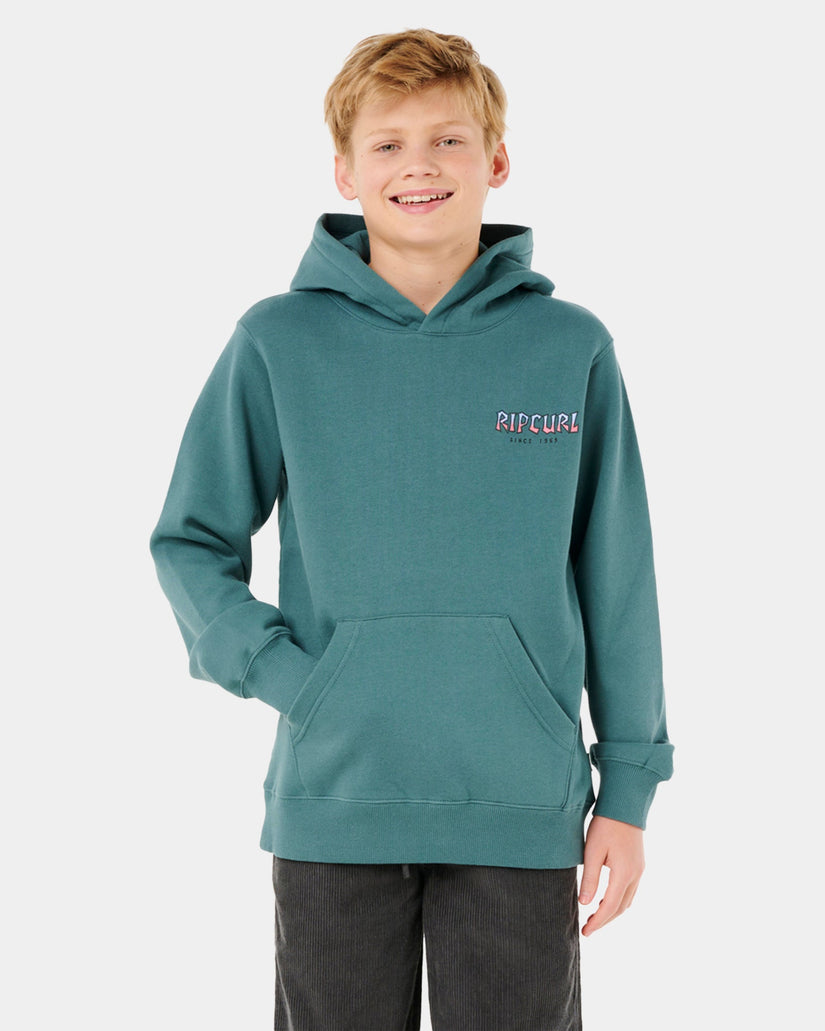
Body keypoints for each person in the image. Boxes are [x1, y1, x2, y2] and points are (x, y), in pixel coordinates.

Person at [150, 28, 674, 1031]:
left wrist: (629, 787)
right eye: (387, 144)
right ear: (345, 171)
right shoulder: (278, 340)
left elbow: (619, 578)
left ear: (497, 160)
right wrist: (291, 679)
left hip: (522, 802)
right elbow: (190, 540)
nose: (418, 166)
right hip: (336, 797)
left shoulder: (569, 347)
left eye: (448, 140)